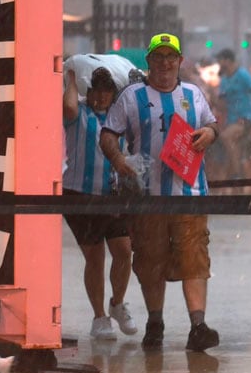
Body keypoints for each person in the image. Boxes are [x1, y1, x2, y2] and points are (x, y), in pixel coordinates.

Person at [100, 33, 221, 352]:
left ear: (180, 61)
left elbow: (212, 126)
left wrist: (208, 133)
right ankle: (155, 321)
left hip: (190, 194)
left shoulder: (194, 94)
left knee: (194, 257)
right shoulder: (131, 97)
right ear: (149, 61)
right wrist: (118, 159)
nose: (165, 62)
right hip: (147, 197)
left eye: (171, 57)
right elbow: (109, 134)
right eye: (159, 56)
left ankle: (198, 326)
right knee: (150, 259)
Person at [63, 66, 137, 340]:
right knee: (94, 257)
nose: (102, 96)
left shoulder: (120, 119)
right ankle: (99, 317)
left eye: (108, 91)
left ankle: (117, 304)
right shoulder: (78, 114)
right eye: (97, 90)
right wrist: (72, 76)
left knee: (124, 251)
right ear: (89, 90)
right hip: (80, 195)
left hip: (113, 195)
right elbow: (68, 107)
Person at [215, 48, 251, 186]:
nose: (219, 63)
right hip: (232, 120)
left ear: (227, 60)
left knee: (225, 136)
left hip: (246, 118)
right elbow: (222, 104)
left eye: (220, 60)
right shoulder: (223, 80)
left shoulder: (242, 75)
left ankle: (237, 172)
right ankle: (239, 174)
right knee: (232, 151)